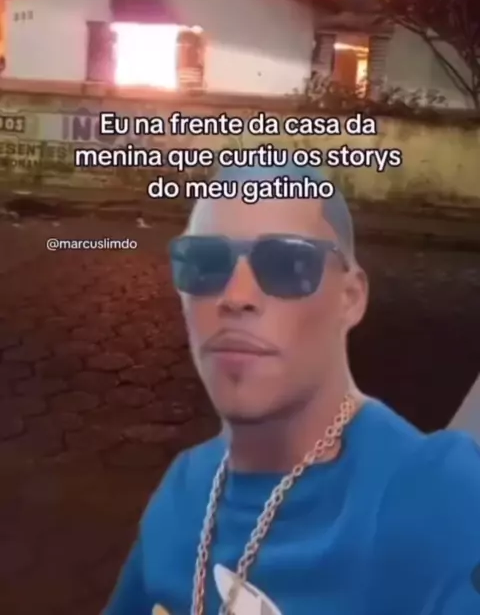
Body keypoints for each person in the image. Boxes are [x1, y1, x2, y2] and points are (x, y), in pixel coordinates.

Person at [104, 164, 480, 615]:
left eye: (287, 265)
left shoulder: (437, 493)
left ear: (350, 298)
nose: (236, 296)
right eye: (204, 263)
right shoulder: (183, 490)